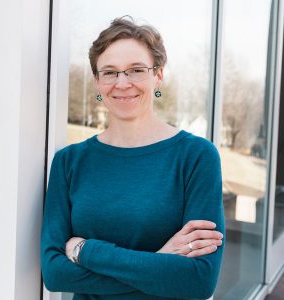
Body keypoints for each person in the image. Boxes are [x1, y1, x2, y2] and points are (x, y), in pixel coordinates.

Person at [40, 16, 225, 300]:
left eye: (136, 70)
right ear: (97, 81)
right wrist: (160, 260)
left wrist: (86, 251)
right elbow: (55, 273)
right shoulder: (69, 162)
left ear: (158, 74)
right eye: (110, 72)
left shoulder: (196, 156)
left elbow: (198, 280)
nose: (122, 83)